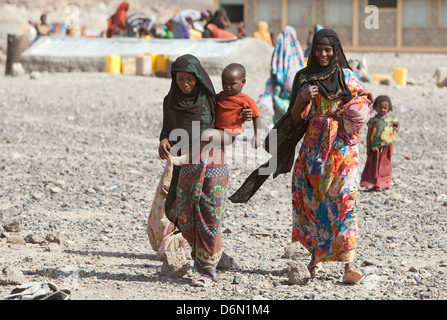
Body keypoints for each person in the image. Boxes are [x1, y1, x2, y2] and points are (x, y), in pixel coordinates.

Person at [156, 54, 252, 285]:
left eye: (190, 79)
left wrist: (245, 116)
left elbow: (231, 115)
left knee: (208, 214)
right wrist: (163, 141)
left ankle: (207, 270)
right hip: (184, 163)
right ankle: (212, 254)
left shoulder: (211, 99)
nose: (186, 84)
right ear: (174, 79)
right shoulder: (170, 101)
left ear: (198, 79)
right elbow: (168, 129)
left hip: (212, 162)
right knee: (184, 217)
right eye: (181, 79)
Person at [288, 29, 373, 284]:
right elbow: (293, 121)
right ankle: (315, 260)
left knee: (345, 202)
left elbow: (362, 104)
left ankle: (349, 265)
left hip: (344, 151)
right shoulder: (304, 78)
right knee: (316, 204)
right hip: (314, 153)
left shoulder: (347, 77)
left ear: (336, 51)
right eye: (318, 49)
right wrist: (301, 99)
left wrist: (355, 109)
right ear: (312, 50)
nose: (323, 54)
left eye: (328, 50)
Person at [172, 63, 261, 166]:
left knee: (206, 135)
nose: (227, 87)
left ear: (243, 82)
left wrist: (257, 136)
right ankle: (191, 154)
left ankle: (185, 159)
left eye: (232, 84)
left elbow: (256, 116)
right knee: (201, 134)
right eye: (224, 83)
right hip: (217, 130)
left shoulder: (246, 100)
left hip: (229, 134)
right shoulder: (221, 95)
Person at [257, 26, 305, 124]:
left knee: (280, 105)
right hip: (296, 83)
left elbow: (274, 67)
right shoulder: (297, 48)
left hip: (282, 84)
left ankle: (281, 124)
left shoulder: (279, 49)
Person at [360, 95, 399, 191]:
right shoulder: (373, 121)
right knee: (375, 165)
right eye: (380, 107)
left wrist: (393, 131)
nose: (382, 110)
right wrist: (368, 147)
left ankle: (385, 183)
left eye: (385, 108)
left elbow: (396, 126)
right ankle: (375, 183)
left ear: (389, 108)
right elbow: (369, 135)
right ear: (375, 107)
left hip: (387, 147)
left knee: (385, 165)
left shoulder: (391, 119)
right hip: (375, 147)